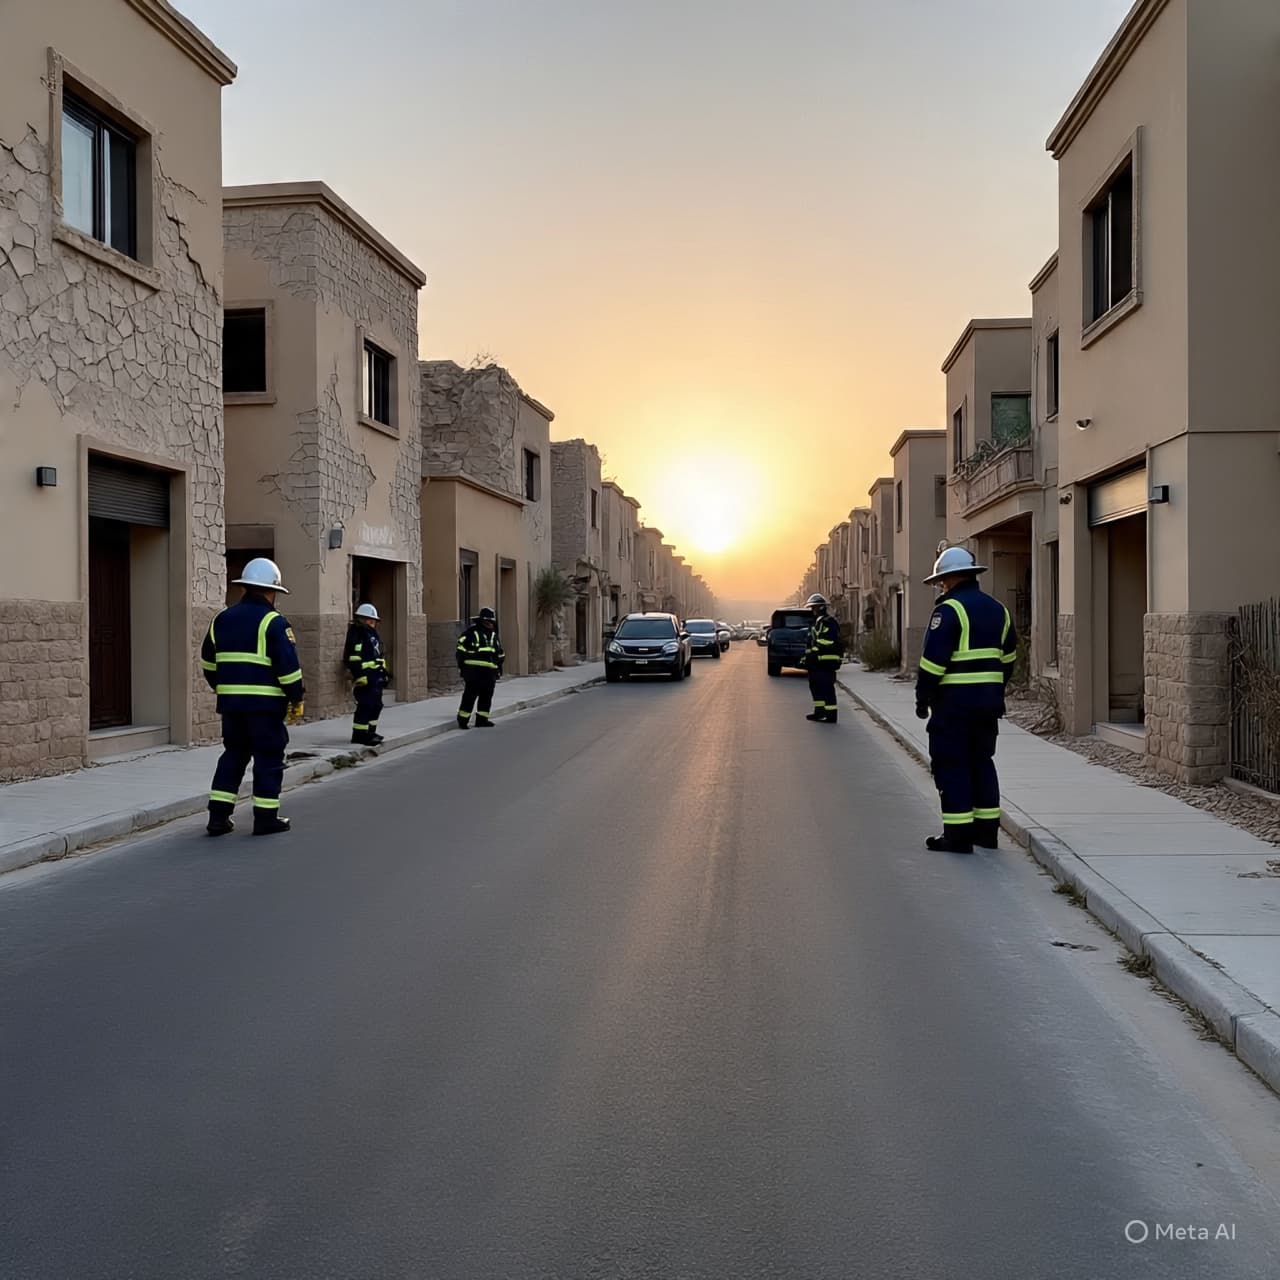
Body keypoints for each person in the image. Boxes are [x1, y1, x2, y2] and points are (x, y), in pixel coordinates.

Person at [915, 546, 1018, 854]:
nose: (941, 587)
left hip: (953, 707)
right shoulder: (999, 610)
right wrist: (992, 690)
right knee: (981, 763)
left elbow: (933, 662)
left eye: (942, 582)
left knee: (952, 765)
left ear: (950, 578)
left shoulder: (948, 611)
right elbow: (1009, 659)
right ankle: (986, 834)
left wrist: (923, 698)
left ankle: (958, 837)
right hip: (987, 705)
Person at [202, 558, 305, 837]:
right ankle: (265, 819)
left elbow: (208, 664)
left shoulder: (221, 619)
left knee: (233, 756)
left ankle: (218, 819)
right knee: (269, 759)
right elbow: (288, 668)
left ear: (245, 587)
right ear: (272, 591)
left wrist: (224, 689)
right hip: (265, 708)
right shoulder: (273, 622)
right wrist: (297, 698)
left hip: (232, 707)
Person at [344, 603, 389, 746]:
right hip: (366, 677)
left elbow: (378, 656)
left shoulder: (371, 634)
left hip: (375, 676)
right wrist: (360, 675)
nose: (373, 623)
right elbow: (353, 657)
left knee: (376, 705)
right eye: (371, 620)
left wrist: (384, 673)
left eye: (373, 621)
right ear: (364, 619)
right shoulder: (357, 633)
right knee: (366, 705)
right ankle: (359, 735)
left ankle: (370, 732)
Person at [456, 607, 505, 729]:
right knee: (470, 696)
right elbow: (460, 650)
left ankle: (482, 720)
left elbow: (499, 652)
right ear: (483, 621)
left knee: (486, 696)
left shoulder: (494, 635)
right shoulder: (470, 633)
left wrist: (498, 667)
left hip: (490, 673)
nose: (491, 624)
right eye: (489, 621)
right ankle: (463, 720)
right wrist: (463, 667)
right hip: (473, 672)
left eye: (492, 622)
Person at [803, 592, 842, 723]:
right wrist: (806, 658)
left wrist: (814, 653)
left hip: (827, 661)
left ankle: (831, 715)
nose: (812, 610)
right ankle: (819, 712)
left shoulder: (829, 623)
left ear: (820, 607)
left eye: (814, 608)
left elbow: (827, 642)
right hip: (817, 662)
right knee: (815, 686)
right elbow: (812, 642)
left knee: (826, 688)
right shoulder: (817, 623)